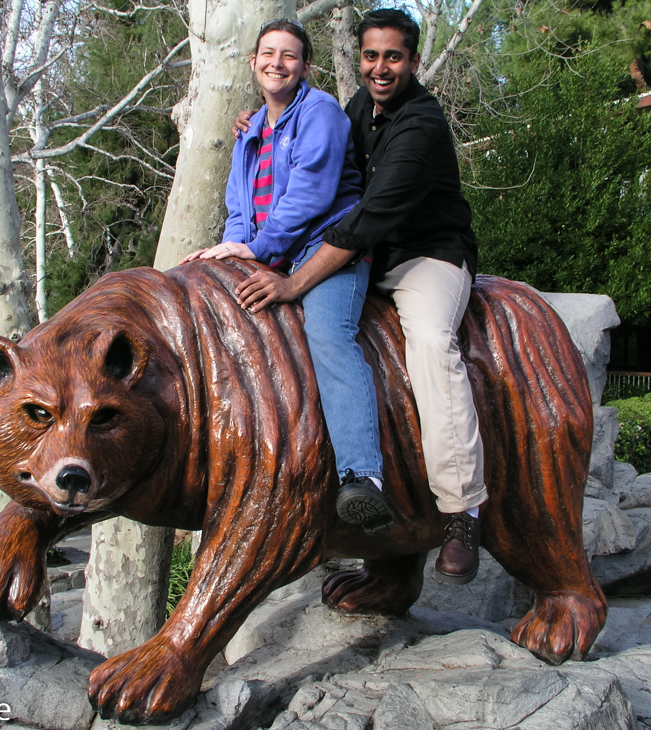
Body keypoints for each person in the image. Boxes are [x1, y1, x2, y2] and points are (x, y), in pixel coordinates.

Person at [233, 9, 488, 585]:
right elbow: (316, 150)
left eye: (392, 57)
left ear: (414, 61)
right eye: (370, 56)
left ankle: (461, 511)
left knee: (428, 343)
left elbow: (362, 221)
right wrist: (261, 127)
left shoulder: (420, 126)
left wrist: (295, 281)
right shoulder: (357, 108)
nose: (379, 67)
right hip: (364, 257)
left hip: (425, 257)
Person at [182, 19, 396, 535]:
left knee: (328, 335)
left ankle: (364, 477)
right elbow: (238, 207)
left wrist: (254, 250)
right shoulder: (251, 129)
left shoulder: (320, 113)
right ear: (254, 62)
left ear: (305, 67)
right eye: (269, 54)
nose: (277, 62)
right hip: (269, 254)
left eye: (290, 55)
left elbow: (311, 199)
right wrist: (233, 252)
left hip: (325, 252)